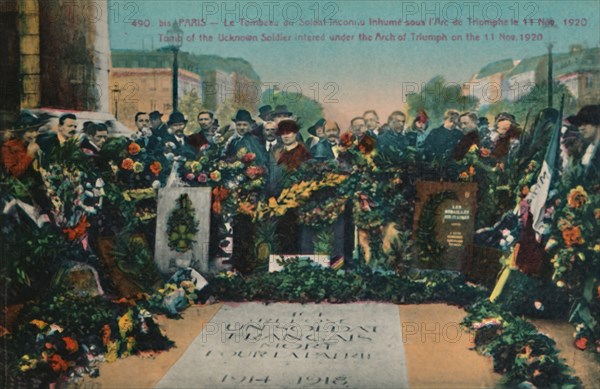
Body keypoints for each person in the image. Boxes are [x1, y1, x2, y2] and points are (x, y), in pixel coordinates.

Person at [1, 111, 46, 178]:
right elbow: (14, 174)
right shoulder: (8, 147)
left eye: (36, 130)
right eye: (31, 131)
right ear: (21, 132)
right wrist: (29, 155)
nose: (35, 134)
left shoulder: (32, 144)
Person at [566, 104, 600, 183]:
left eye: (585, 123)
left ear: (597, 123)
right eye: (579, 124)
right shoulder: (585, 149)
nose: (581, 128)